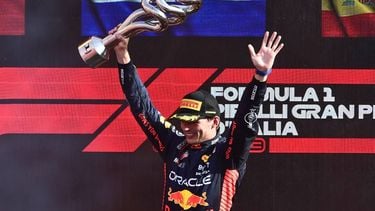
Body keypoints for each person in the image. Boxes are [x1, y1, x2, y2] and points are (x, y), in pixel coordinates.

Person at [113, 30, 284, 210]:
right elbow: (141, 106)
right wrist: (122, 55)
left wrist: (260, 76)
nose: (186, 127)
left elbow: (244, 121)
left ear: (215, 122)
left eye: (193, 121)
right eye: (183, 121)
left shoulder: (228, 152)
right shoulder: (173, 144)